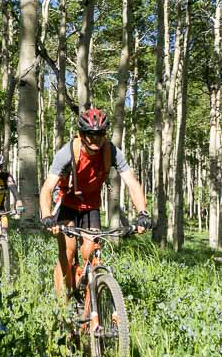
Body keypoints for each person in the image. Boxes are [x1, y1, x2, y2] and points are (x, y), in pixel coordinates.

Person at [38, 108, 151, 297]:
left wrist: (142, 212)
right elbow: (47, 188)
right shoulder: (67, 153)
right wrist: (47, 215)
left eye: (100, 134)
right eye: (90, 134)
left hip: (91, 206)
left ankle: (93, 309)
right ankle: (61, 305)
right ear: (81, 134)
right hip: (67, 204)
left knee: (92, 253)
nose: (95, 139)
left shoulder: (111, 151)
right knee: (68, 252)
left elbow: (132, 182)